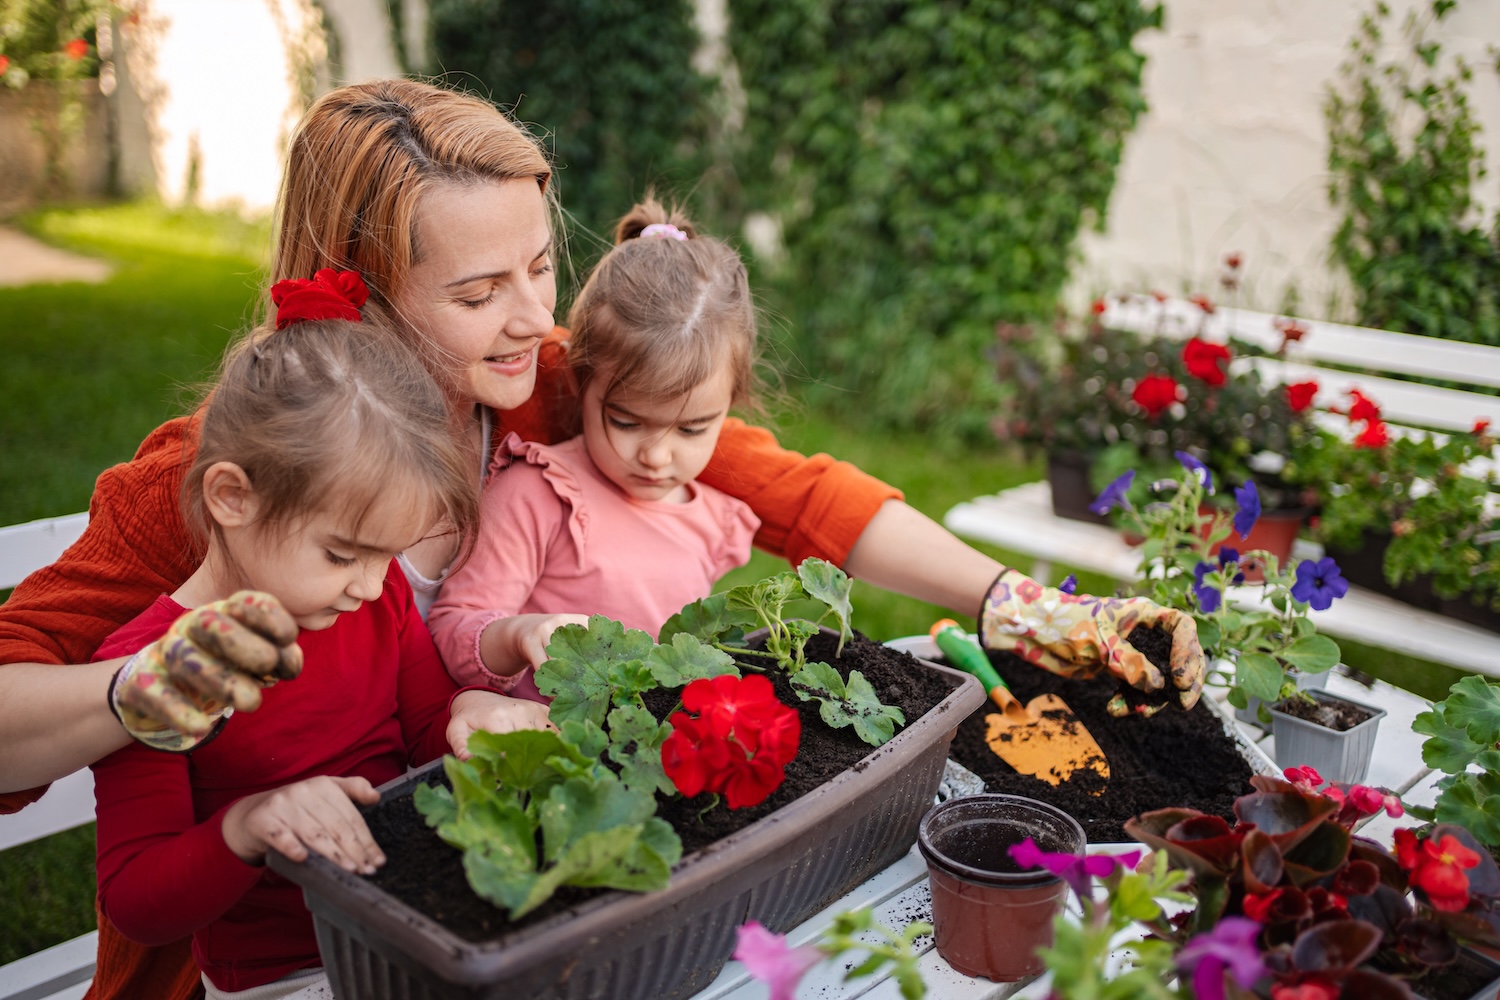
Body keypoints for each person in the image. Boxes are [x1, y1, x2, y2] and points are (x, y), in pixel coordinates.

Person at [0, 77, 1204, 999]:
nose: (535, 316)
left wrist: (1041, 610)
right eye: (478, 294)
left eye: (540, 266)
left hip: (515, 893)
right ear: (356, 295)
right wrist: (148, 690)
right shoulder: (219, 479)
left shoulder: (543, 388)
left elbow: (800, 495)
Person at [91, 270, 549, 1000]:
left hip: (425, 927)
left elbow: (427, 726)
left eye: (384, 556)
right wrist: (251, 826)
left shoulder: (372, 598)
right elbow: (137, 902)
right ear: (233, 498)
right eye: (343, 554)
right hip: (290, 974)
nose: (372, 584)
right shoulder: (156, 667)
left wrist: (470, 717)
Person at [427, 198, 765, 698]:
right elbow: (454, 628)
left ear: (730, 406)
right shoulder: (539, 495)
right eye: (626, 422)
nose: (656, 455)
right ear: (581, 381)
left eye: (691, 430)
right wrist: (519, 635)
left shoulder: (710, 520)